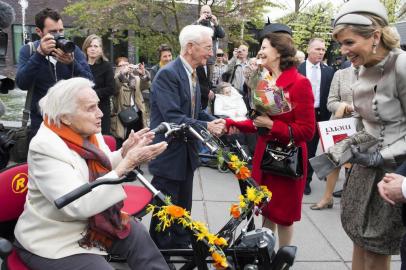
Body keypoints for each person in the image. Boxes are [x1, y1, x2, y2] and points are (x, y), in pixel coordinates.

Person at [13, 77, 169, 270]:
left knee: (137, 234)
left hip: (89, 225)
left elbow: (102, 166)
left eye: (98, 106)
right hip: (53, 239)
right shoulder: (44, 146)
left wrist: (123, 153)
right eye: (91, 108)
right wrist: (126, 165)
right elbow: (77, 204)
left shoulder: (88, 133)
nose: (101, 113)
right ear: (65, 117)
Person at [332, 0, 406, 269]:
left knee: (375, 244)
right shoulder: (362, 67)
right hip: (365, 166)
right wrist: (349, 144)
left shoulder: (401, 64)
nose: (343, 51)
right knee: (358, 236)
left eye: (349, 42)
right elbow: (366, 120)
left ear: (375, 36)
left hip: (391, 170)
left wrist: (381, 156)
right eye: (341, 43)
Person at [225, 29, 315, 247]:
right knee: (267, 210)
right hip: (266, 157)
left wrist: (273, 125)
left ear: (279, 52)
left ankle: (283, 259)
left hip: (287, 161)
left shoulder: (300, 83)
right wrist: (231, 124)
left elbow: (308, 131)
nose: (260, 52)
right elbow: (258, 122)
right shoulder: (263, 81)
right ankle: (265, 254)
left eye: (264, 47)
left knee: (283, 216)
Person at [148, 24, 225, 250]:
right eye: (207, 47)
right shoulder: (168, 74)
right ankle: (160, 251)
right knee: (166, 206)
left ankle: (180, 243)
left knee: (184, 202)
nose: (211, 53)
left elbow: (195, 111)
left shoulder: (193, 73)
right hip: (168, 151)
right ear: (190, 47)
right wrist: (207, 126)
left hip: (187, 151)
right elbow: (173, 116)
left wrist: (214, 120)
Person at [15, 8, 93, 139]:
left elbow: (90, 82)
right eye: (53, 32)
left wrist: (72, 63)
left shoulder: (73, 51)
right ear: (39, 32)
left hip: (71, 123)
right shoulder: (28, 51)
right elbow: (22, 84)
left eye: (61, 30)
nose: (59, 35)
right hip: (40, 124)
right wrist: (39, 55)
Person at [310, 64, 356, 210]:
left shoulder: (375, 72)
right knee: (333, 161)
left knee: (356, 164)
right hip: (340, 125)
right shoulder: (340, 74)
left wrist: (358, 107)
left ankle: (350, 201)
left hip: (362, 126)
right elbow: (330, 102)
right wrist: (343, 106)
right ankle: (327, 198)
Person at [298, 38, 334, 195]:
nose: (321, 52)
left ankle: (306, 181)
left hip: (320, 114)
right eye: (318, 49)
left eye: (323, 49)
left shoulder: (328, 71)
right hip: (300, 115)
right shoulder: (297, 69)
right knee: (298, 147)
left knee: (311, 150)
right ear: (308, 49)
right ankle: (294, 176)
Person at [111, 57, 150, 147]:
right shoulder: (116, 79)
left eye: (126, 64)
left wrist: (143, 74)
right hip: (123, 117)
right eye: (122, 65)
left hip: (137, 114)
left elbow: (145, 86)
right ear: (117, 67)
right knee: (125, 143)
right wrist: (122, 74)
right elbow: (115, 88)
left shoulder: (135, 78)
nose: (125, 67)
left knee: (138, 143)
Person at [82, 34, 115, 135]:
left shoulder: (106, 66)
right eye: (90, 46)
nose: (92, 49)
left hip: (101, 109)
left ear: (100, 49)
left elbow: (111, 89)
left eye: (96, 46)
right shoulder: (80, 65)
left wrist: (91, 94)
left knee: (101, 140)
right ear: (86, 48)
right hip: (83, 109)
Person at [194, 4, 225, 71]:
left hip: (210, 60)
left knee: (209, 81)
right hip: (198, 59)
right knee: (198, 81)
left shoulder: (214, 26)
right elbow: (189, 31)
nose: (206, 14)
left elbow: (222, 35)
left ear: (211, 14)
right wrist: (199, 20)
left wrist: (216, 23)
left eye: (208, 12)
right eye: (204, 12)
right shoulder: (197, 25)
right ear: (200, 14)